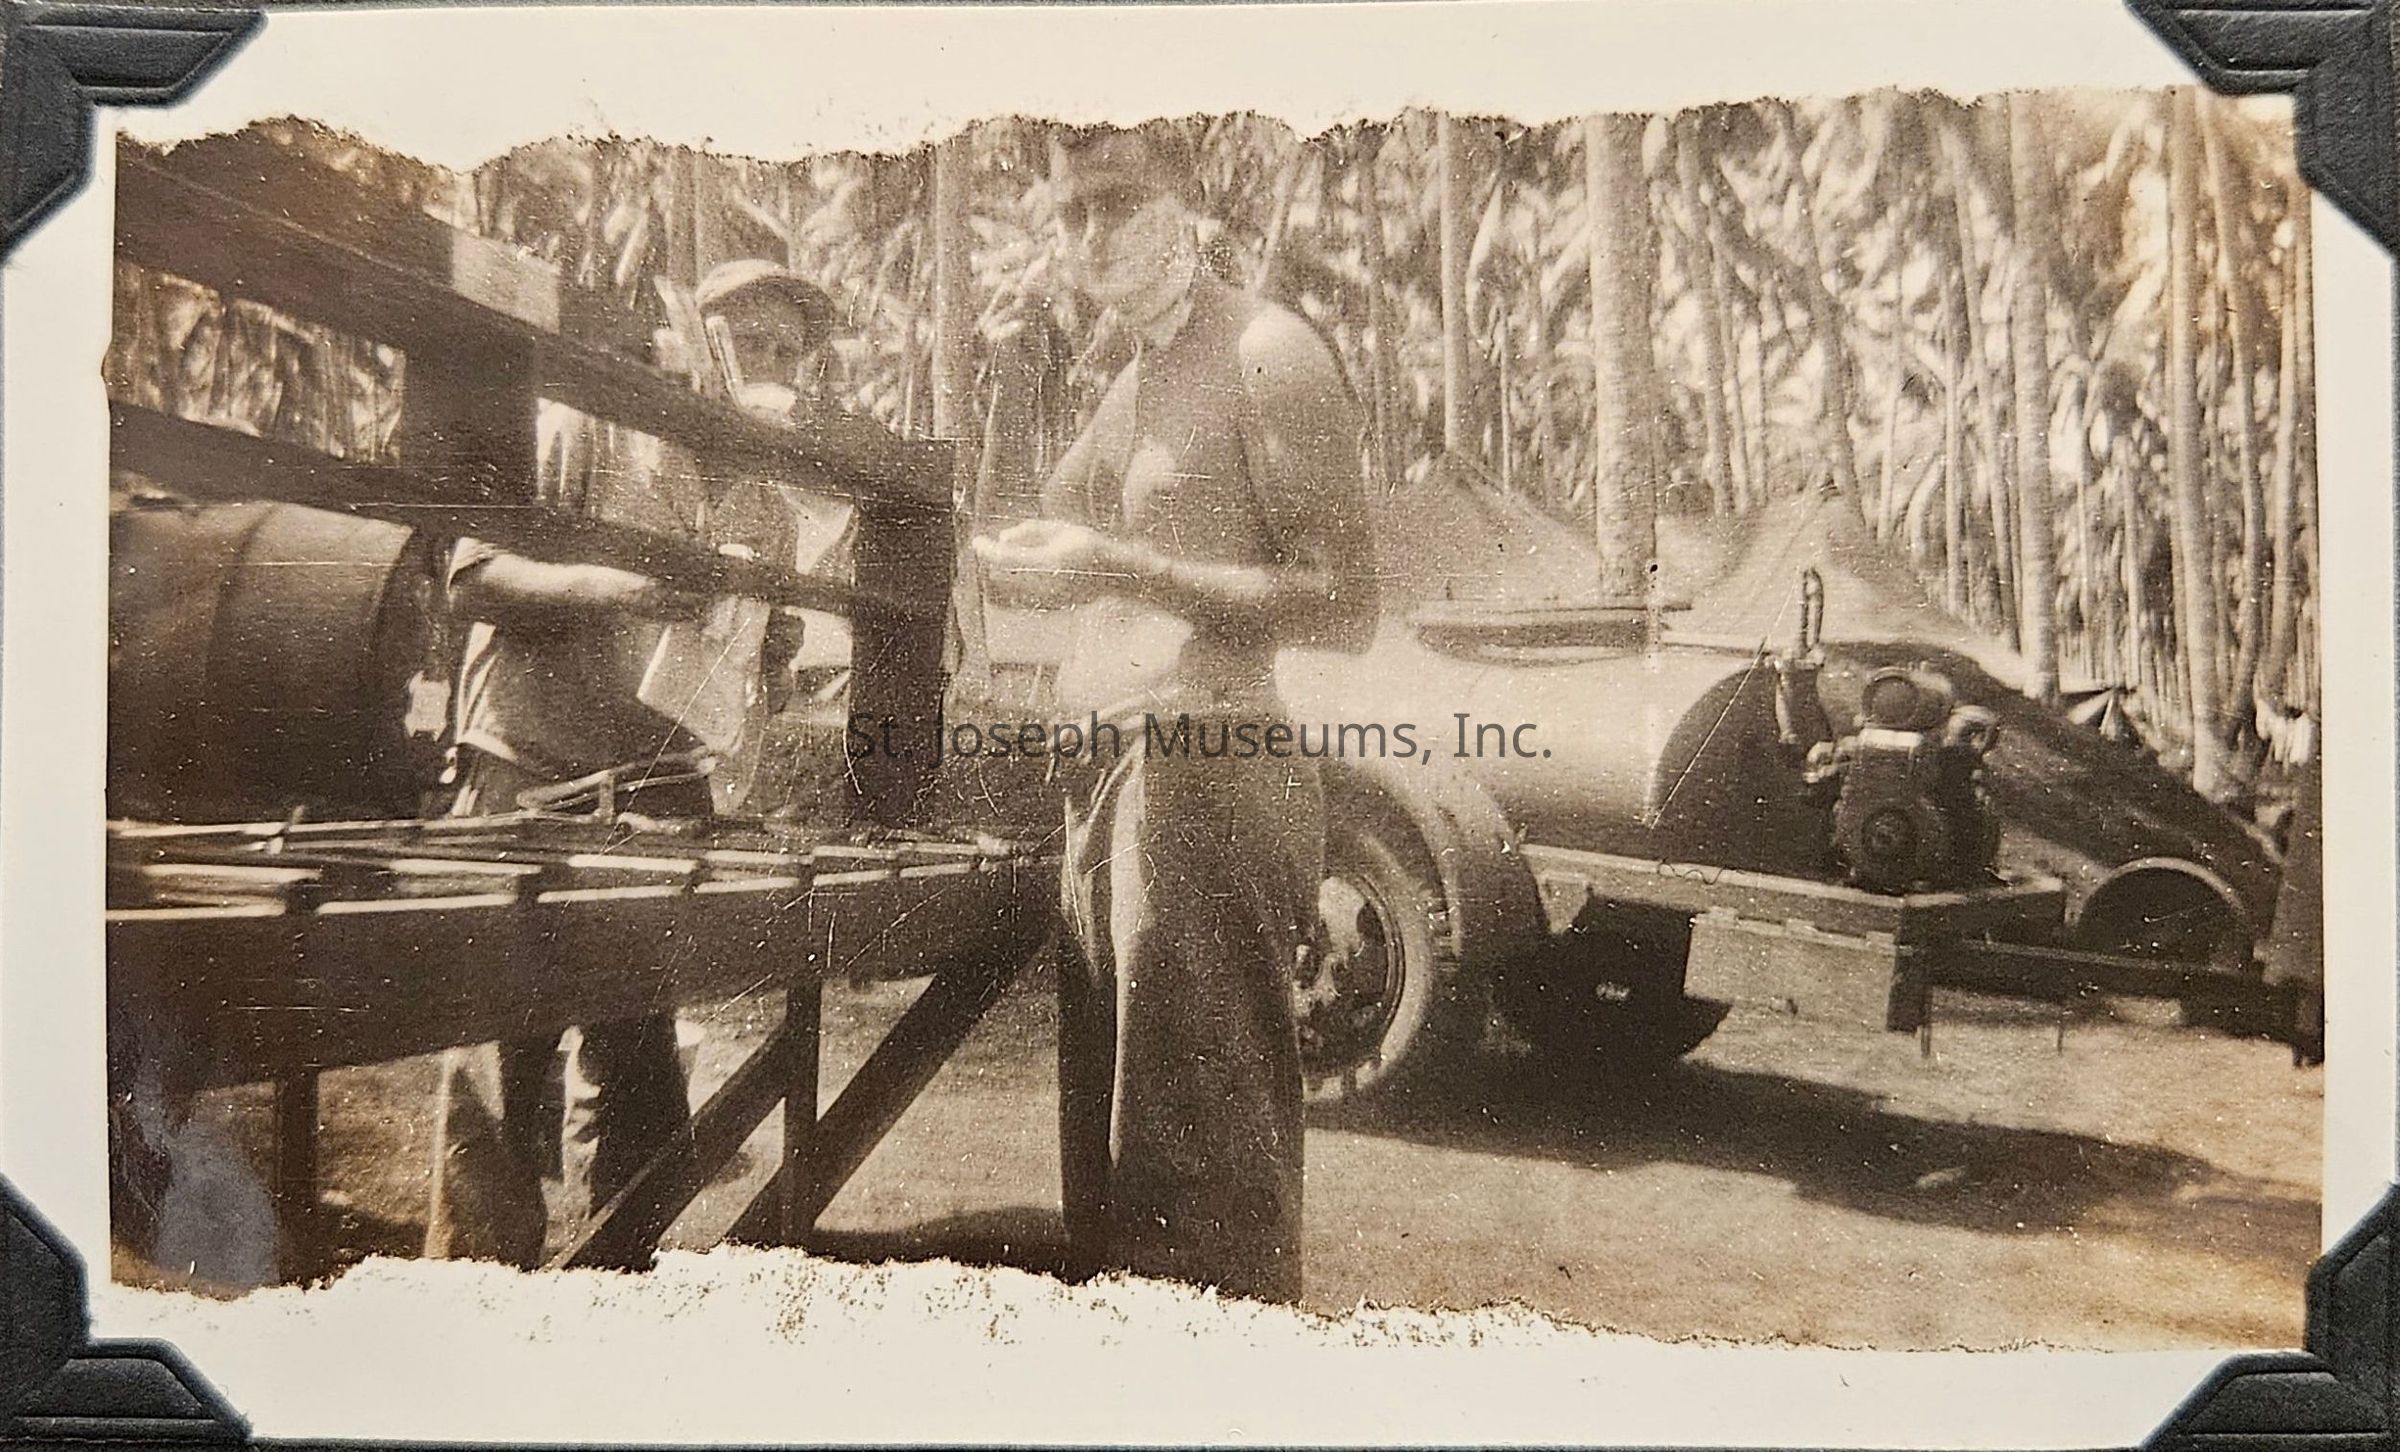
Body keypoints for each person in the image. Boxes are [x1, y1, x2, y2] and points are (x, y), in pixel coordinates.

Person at [972, 126, 1380, 1304]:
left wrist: (1124, 567)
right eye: (1068, 213)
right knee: (1116, 1185)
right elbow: (1019, 553)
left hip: (1210, 768)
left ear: (1186, 206)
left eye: (1116, 202)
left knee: (1198, 1187)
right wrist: (1013, 389)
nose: (1087, 236)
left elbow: (1344, 603)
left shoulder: (1265, 351)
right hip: (1113, 781)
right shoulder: (1133, 382)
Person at [423, 261, 835, 1266]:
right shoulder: (591, 427)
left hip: (653, 782)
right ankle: (471, 1295)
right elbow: (472, 576)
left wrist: (766, 652)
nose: (766, 364)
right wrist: (620, 589)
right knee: (502, 1049)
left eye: (787, 351)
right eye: (747, 340)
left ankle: (618, 1284)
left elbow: (761, 660)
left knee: (642, 1061)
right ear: (699, 343)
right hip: (529, 756)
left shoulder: (771, 510)